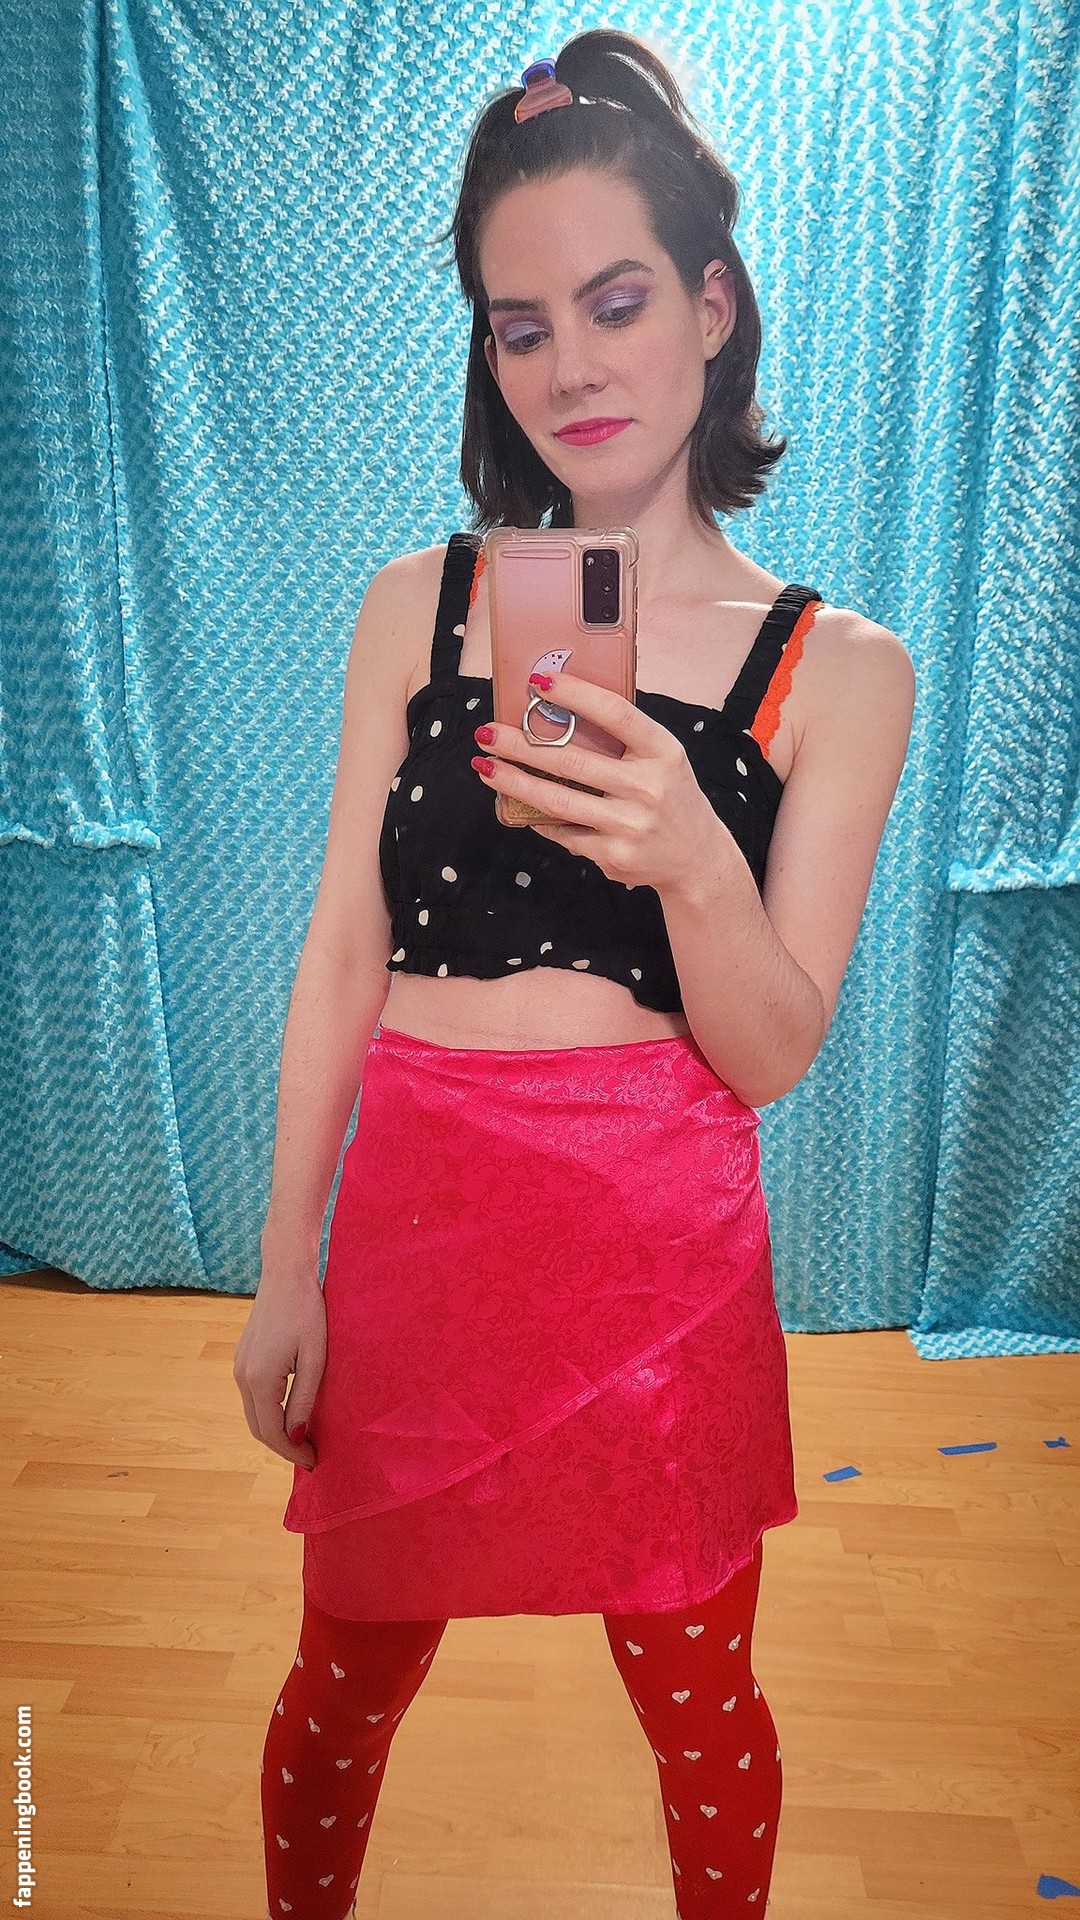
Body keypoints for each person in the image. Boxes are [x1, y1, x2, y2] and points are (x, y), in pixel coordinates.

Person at [233, 29, 916, 1920]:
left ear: (711, 305)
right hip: (418, 1229)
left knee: (698, 1709)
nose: (573, 368)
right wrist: (284, 1266)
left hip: (656, 1263)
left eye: (617, 303)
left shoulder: (839, 668)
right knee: (341, 1688)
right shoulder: (420, 604)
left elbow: (772, 1054)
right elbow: (343, 951)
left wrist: (690, 849)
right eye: (519, 326)